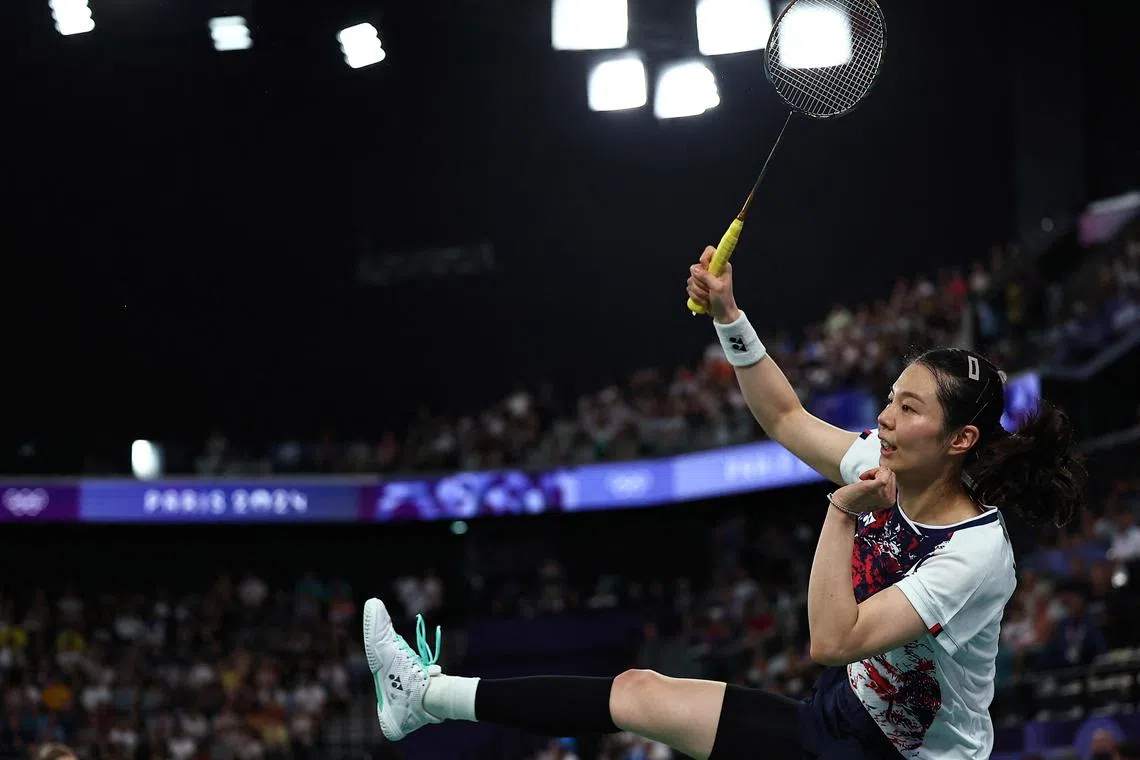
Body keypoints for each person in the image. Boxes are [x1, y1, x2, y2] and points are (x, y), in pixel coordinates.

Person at [362, 246, 1087, 760]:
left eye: (909, 408)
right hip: (837, 720)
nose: (885, 419)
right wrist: (729, 315)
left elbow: (833, 641)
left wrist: (841, 512)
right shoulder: (883, 464)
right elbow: (786, 418)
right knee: (638, 691)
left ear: (961, 439)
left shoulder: (973, 551)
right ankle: (424, 697)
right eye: (891, 399)